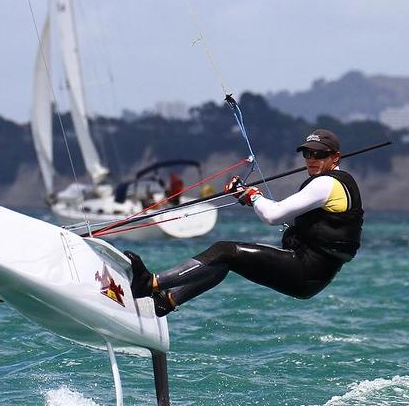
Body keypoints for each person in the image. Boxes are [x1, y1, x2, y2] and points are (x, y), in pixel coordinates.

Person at [126, 128, 363, 317]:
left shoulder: (325, 184)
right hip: (312, 277)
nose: (311, 159)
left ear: (335, 157)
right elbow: (289, 216)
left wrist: (252, 196)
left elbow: (273, 216)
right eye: (307, 153)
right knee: (227, 261)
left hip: (305, 269)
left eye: (319, 154)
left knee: (224, 250)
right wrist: (250, 198)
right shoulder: (336, 185)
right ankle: (166, 302)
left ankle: (150, 284)